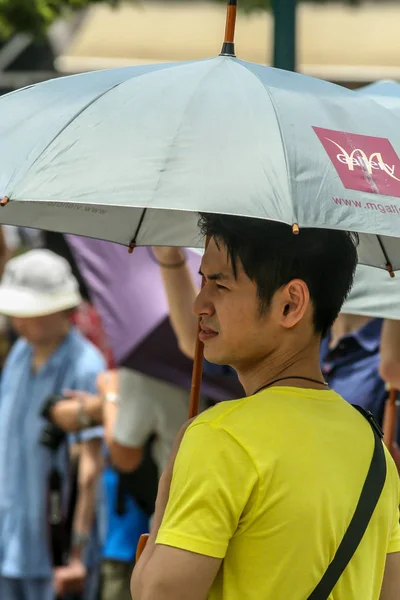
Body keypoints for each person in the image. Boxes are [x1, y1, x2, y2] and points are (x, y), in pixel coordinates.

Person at [131, 215, 400, 600]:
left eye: (220, 285)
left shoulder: (221, 437)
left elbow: (158, 593)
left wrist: (166, 496)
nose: (199, 304)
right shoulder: (375, 449)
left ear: (291, 304)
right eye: (202, 279)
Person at [0, 249, 105, 600]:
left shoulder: (85, 366)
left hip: (54, 549)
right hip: (10, 539)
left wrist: (76, 552)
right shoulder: (19, 353)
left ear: (62, 308)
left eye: (30, 312)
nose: (19, 320)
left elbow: (91, 466)